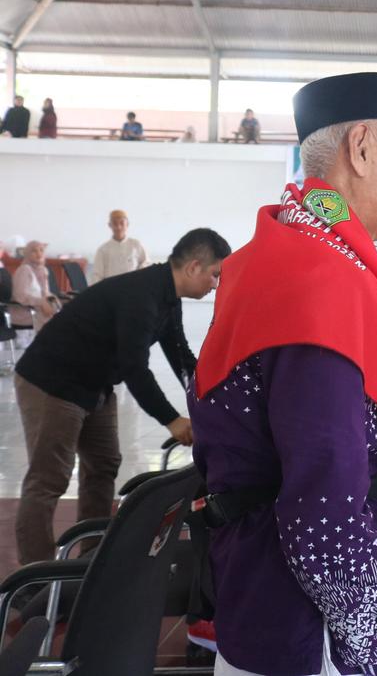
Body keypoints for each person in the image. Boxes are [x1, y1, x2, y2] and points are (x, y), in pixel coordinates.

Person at [189, 72, 377, 676]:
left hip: (277, 594)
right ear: (362, 147)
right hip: (307, 628)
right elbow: (324, 515)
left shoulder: (293, 247)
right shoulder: (318, 279)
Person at [13, 228, 228, 564]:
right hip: (52, 381)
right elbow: (134, 368)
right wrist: (171, 420)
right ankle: (34, 577)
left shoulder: (168, 298)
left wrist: (215, 402)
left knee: (103, 465)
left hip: (94, 383)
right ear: (194, 267)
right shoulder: (141, 295)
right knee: (49, 479)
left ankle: (90, 559)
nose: (216, 284)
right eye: (215, 275)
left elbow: (181, 357)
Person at [11, 240, 60, 331]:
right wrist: (41, 302)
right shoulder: (24, 270)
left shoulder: (43, 270)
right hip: (26, 313)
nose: (39, 254)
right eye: (34, 251)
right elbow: (20, 296)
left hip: (39, 311)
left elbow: (45, 292)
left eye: (41, 250)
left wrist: (54, 301)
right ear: (27, 254)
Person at [91, 209, 150, 283]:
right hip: (111, 290)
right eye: (115, 224)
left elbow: (146, 263)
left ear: (127, 224)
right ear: (110, 225)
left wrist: (138, 276)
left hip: (133, 287)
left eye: (122, 223)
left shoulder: (136, 245)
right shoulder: (103, 250)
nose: (119, 227)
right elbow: (97, 275)